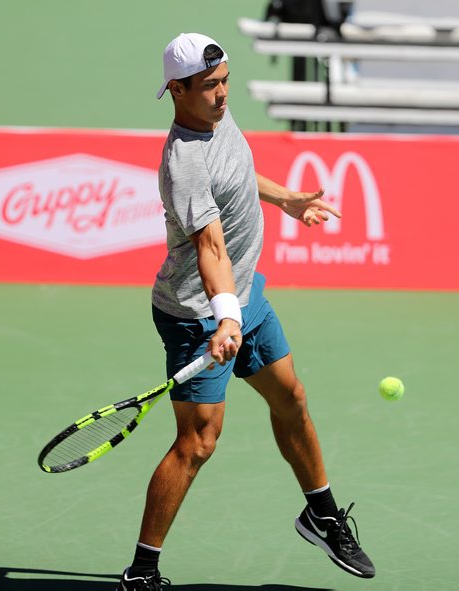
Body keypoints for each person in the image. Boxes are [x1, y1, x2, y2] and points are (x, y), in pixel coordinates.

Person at [117, 32, 375, 591]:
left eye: (225, 81)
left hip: (244, 299)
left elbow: (234, 175)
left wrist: (284, 199)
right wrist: (225, 317)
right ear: (177, 90)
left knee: (292, 399)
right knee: (197, 444)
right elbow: (210, 248)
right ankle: (141, 572)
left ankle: (322, 514)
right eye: (209, 87)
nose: (222, 94)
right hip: (196, 314)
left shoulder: (216, 119)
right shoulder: (181, 160)